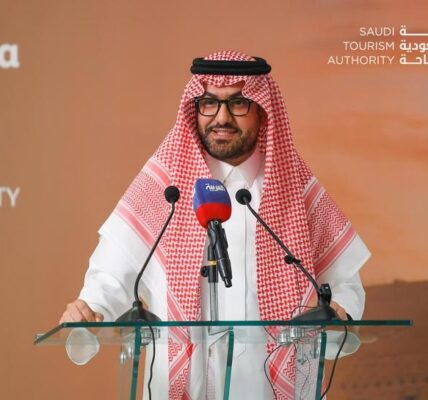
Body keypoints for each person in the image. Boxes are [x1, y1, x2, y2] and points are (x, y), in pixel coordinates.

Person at [60, 51, 370, 399]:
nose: (221, 117)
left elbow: (344, 284)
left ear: (261, 110)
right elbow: (111, 275)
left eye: (237, 103)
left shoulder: (294, 189)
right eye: (209, 102)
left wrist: (339, 312)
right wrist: (90, 308)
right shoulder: (165, 188)